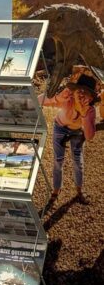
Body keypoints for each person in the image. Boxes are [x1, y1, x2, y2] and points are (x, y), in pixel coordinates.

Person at [41, 73, 99, 206]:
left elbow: (90, 136)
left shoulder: (90, 110)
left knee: (78, 161)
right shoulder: (68, 99)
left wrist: (83, 113)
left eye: (87, 92)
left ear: (91, 98)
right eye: (80, 90)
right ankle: (56, 190)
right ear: (74, 91)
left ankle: (79, 191)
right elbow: (41, 100)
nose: (82, 94)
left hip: (77, 132)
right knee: (58, 160)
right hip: (60, 127)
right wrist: (56, 97)